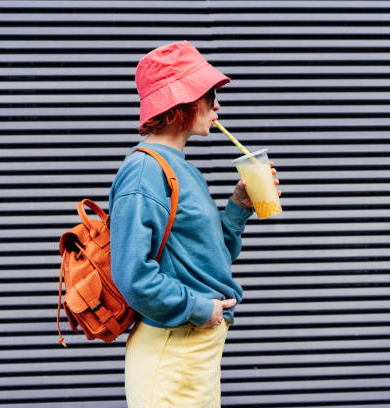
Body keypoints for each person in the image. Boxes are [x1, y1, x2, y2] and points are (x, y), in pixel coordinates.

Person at [109, 41, 279, 408]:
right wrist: (203, 309)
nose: (218, 105)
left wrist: (238, 206)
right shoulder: (144, 172)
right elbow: (131, 275)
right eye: (209, 94)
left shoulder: (180, 169)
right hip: (174, 349)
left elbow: (208, 256)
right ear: (180, 102)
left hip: (195, 348)